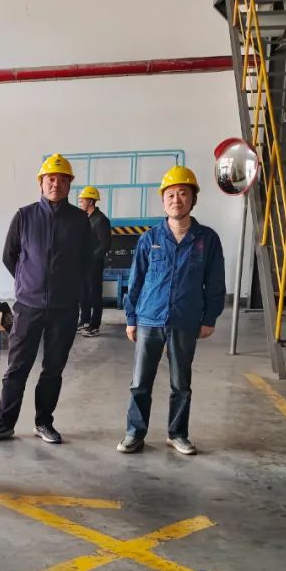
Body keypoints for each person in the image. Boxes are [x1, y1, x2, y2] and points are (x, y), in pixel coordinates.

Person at [0, 154, 92, 445]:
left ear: (69, 185)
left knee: (53, 369)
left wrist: (70, 288)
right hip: (28, 306)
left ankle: (44, 422)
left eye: (62, 180)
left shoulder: (79, 220)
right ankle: (4, 423)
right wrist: (27, 281)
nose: (56, 184)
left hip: (64, 309)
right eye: (50, 179)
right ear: (41, 183)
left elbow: (86, 259)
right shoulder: (25, 216)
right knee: (17, 367)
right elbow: (10, 255)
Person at [118, 165, 226, 456]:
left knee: (181, 384)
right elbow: (135, 281)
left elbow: (215, 282)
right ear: (163, 201)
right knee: (140, 382)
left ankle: (177, 434)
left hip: (185, 320)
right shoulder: (149, 239)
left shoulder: (207, 240)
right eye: (170, 195)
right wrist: (131, 319)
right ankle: (134, 433)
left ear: (193, 199)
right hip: (149, 320)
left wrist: (209, 318)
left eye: (182, 193)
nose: (176, 200)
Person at [77, 185, 112, 337]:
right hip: (84, 263)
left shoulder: (101, 220)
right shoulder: (86, 219)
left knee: (95, 294)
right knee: (83, 293)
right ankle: (84, 321)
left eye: (82, 201)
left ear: (91, 201)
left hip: (94, 264)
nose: (80, 203)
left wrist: (92, 259)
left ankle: (94, 325)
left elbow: (105, 244)